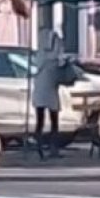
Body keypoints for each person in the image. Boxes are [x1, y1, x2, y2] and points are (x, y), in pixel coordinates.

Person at [32, 29, 65, 158]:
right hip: (50, 92)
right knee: (53, 121)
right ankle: (53, 148)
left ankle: (39, 148)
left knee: (40, 121)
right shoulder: (54, 61)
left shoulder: (39, 57)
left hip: (40, 92)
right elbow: (60, 77)